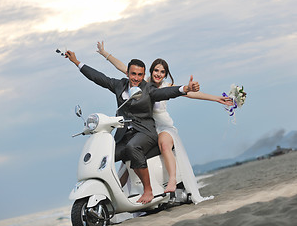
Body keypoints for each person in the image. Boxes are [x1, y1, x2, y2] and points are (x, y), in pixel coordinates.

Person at [96, 41, 233, 203]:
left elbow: (192, 94)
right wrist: (105, 54)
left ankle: (173, 180)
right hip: (144, 129)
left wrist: (217, 98)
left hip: (164, 128)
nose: (158, 74)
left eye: (162, 72)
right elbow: (123, 67)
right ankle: (111, 199)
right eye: (156, 70)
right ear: (151, 71)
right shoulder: (142, 82)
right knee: (126, 164)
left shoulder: (168, 86)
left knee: (164, 144)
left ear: (166, 74)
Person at [64, 50, 200, 204]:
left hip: (145, 133)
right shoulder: (119, 85)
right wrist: (77, 62)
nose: (136, 78)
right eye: (133, 74)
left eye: (140, 75)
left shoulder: (148, 89)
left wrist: (185, 89)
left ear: (143, 75)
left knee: (132, 147)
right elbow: (98, 77)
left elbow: (165, 92)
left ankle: (148, 190)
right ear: (128, 73)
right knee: (107, 155)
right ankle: (108, 194)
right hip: (124, 135)